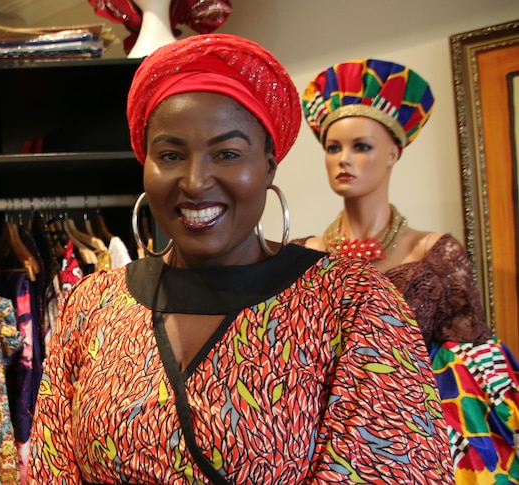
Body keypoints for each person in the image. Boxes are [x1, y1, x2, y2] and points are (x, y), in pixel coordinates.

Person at [27, 34, 453, 484]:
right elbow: (49, 470)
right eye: (170, 155)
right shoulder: (93, 306)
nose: (194, 182)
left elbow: (394, 467)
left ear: (269, 164)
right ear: (145, 164)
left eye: (227, 153)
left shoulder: (353, 305)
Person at [298, 58, 519, 484]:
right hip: (319, 435)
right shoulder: (303, 254)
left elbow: (471, 358)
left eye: (361, 146)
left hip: (419, 434)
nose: (344, 160)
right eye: (333, 147)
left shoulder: (434, 253)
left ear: (393, 153)